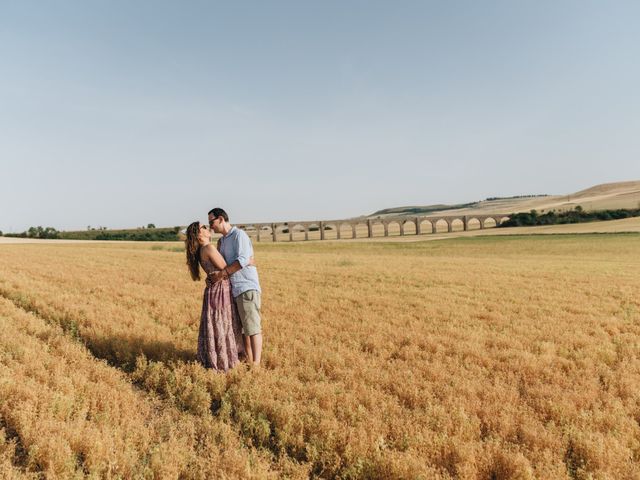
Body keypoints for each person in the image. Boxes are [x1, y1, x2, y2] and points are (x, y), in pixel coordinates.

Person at [184, 221, 245, 372]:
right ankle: (226, 360)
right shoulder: (208, 248)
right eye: (203, 227)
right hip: (220, 289)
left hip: (213, 290)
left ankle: (216, 357)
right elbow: (225, 267)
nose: (207, 228)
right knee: (223, 323)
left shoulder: (201, 251)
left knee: (216, 324)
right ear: (198, 235)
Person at [207, 207, 263, 366]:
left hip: (246, 286)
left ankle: (256, 365)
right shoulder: (223, 241)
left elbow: (243, 260)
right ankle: (247, 358)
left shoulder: (239, 235)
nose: (210, 225)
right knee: (242, 329)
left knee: (252, 327)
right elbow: (226, 263)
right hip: (233, 289)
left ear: (221, 219)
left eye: (211, 222)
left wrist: (223, 273)